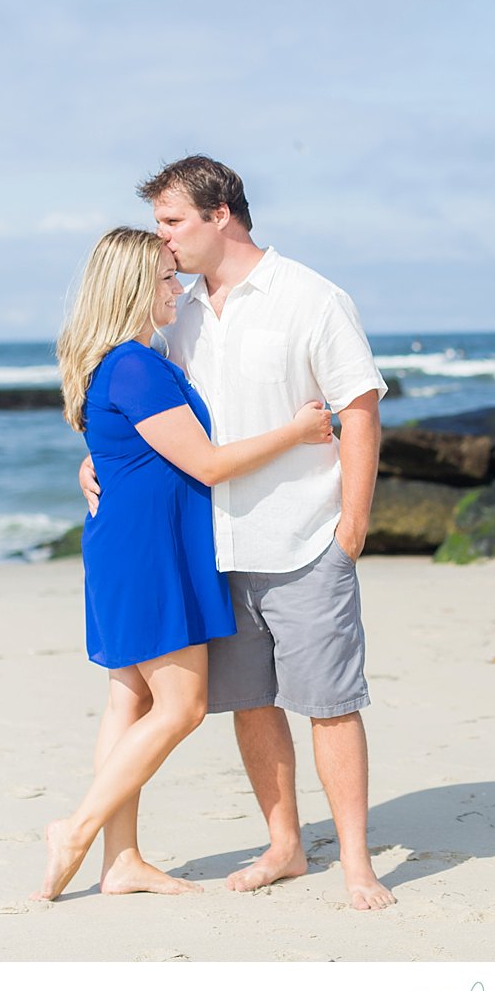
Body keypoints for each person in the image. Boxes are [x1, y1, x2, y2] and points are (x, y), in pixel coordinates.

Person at [81, 156, 397, 910]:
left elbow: (358, 408)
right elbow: (138, 415)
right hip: (208, 551)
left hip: (303, 538)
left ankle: (356, 863)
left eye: (172, 221)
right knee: (252, 705)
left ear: (220, 214)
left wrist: (350, 527)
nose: (163, 240)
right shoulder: (174, 310)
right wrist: (92, 462)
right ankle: (284, 845)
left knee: (328, 702)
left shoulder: (311, 298)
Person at [37, 226, 333, 902]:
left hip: (130, 544)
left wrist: (96, 462)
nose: (179, 288)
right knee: (183, 704)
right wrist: (296, 431)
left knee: (129, 696)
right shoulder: (136, 365)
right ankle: (78, 829)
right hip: (150, 552)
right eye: (166, 279)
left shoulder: (120, 360)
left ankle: (120, 861)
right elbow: (203, 462)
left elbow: (128, 450)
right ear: (136, 289)